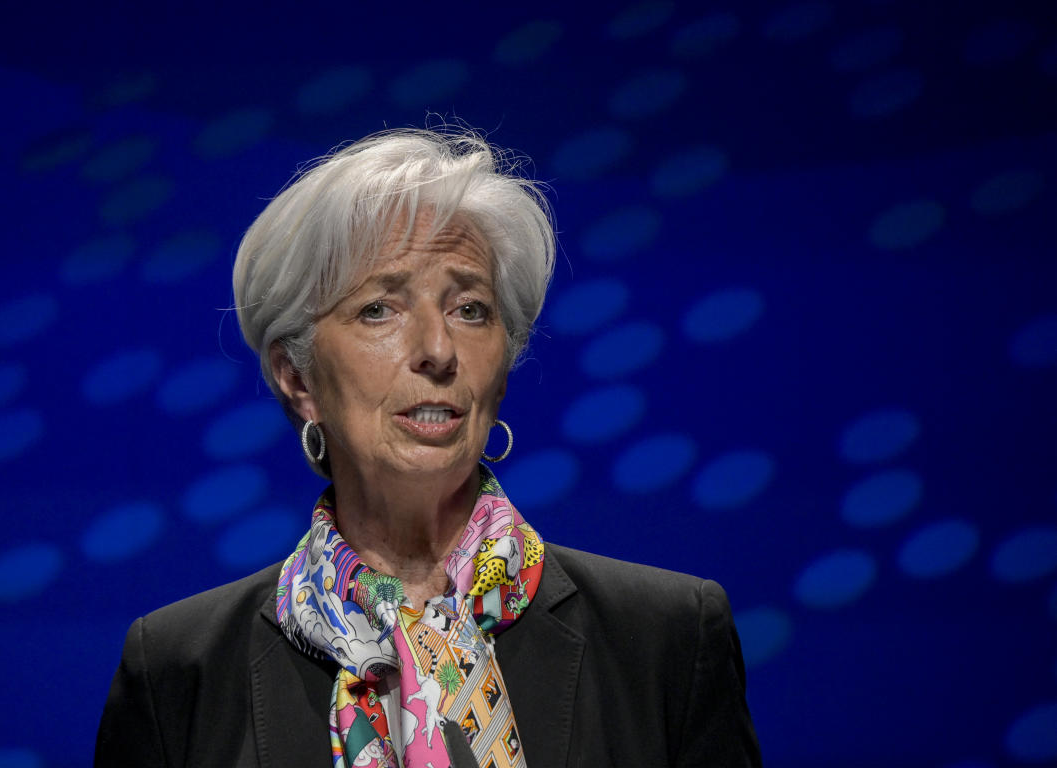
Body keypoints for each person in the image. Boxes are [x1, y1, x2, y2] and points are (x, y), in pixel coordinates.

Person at [95, 128, 761, 767]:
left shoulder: (666, 639)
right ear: (297, 377)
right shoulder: (179, 669)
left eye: (469, 308)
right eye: (379, 309)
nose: (438, 351)